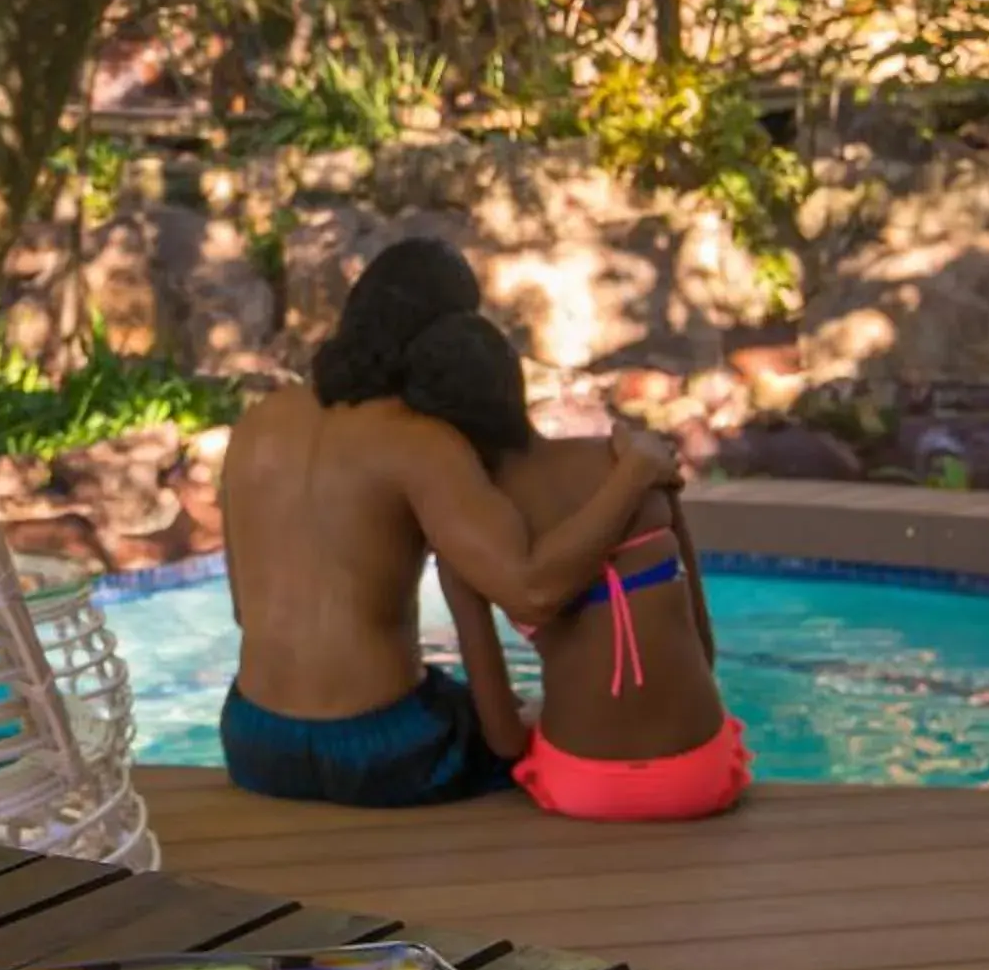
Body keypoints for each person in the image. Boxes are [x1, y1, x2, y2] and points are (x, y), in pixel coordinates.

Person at [217, 237, 677, 807]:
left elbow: (242, 609)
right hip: (384, 751)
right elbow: (532, 592)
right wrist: (634, 473)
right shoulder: (420, 442)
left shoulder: (256, 426)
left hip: (253, 740)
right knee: (530, 729)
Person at [404, 313, 751, 822]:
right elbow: (703, 649)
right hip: (699, 775)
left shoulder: (469, 537)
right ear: (514, 383)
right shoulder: (631, 461)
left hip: (581, 784)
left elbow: (502, 738)